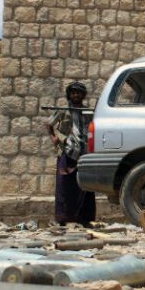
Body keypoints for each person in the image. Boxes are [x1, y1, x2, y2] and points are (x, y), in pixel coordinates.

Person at [45, 81, 96, 226]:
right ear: (69, 95)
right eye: (73, 93)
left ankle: (85, 219)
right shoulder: (63, 110)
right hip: (67, 152)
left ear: (83, 95)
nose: (76, 95)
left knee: (85, 187)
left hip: (84, 153)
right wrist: (53, 137)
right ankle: (63, 219)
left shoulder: (87, 111)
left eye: (78, 93)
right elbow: (48, 124)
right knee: (65, 187)